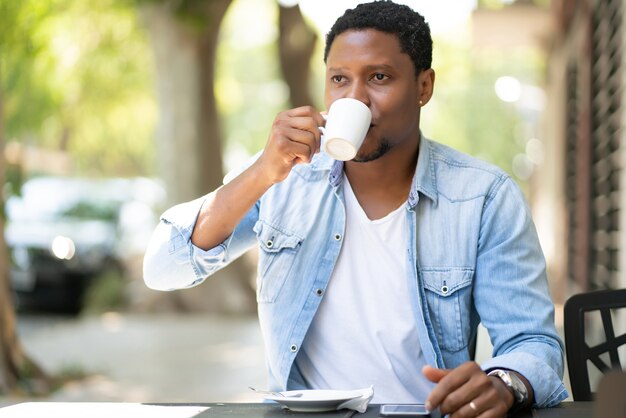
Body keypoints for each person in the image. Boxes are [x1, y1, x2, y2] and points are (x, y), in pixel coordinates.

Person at [143, 1, 568, 416]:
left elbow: (533, 344)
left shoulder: (484, 197)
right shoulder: (284, 178)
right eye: (340, 80)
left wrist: (504, 385)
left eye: (379, 77)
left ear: (424, 87)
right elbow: (163, 269)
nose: (356, 99)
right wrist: (259, 174)